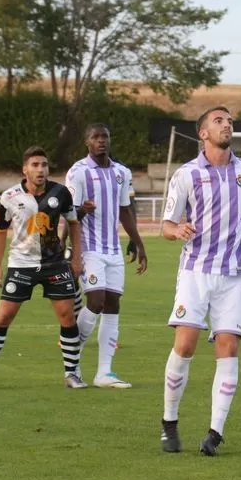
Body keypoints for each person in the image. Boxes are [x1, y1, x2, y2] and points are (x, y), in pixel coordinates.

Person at [159, 106, 241, 456]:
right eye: (219, 121)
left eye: (229, 121)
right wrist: (176, 229)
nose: (227, 125)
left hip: (233, 277)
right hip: (196, 271)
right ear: (203, 134)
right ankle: (169, 421)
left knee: (229, 347)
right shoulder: (187, 175)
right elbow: (165, 225)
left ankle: (214, 433)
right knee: (186, 346)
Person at [0, 146, 87, 390]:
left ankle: (72, 374)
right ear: (25, 170)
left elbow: (74, 224)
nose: (40, 169)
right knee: (3, 317)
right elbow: (0, 231)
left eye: (44, 165)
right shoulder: (10, 197)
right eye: (35, 165)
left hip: (54, 263)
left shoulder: (61, 193)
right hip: (21, 264)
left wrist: (76, 258)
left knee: (67, 317)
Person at [65, 124, 148, 389]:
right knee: (96, 301)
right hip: (89, 249)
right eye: (95, 137)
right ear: (87, 142)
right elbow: (69, 215)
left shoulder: (121, 173)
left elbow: (125, 211)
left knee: (113, 305)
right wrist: (82, 211)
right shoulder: (78, 173)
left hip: (113, 250)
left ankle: (104, 373)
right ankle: (72, 351)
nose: (101, 141)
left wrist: (138, 243)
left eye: (105, 137)